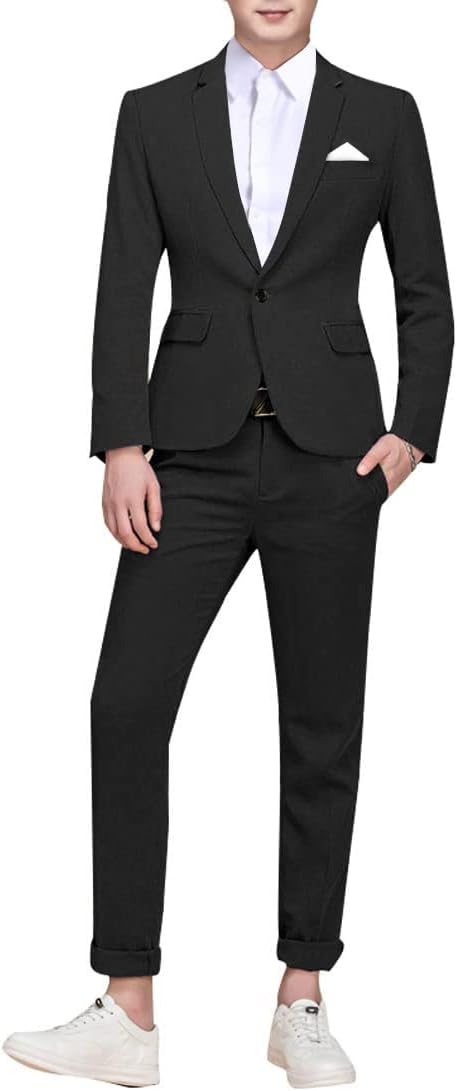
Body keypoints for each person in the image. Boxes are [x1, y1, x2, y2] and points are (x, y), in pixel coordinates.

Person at [3, 1, 453, 1086]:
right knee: (126, 703)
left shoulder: (382, 115)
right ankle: (127, 1007)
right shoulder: (154, 113)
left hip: (332, 459)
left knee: (321, 723)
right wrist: (121, 441)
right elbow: (123, 280)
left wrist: (409, 433)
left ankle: (301, 996)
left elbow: (424, 292)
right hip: (187, 458)